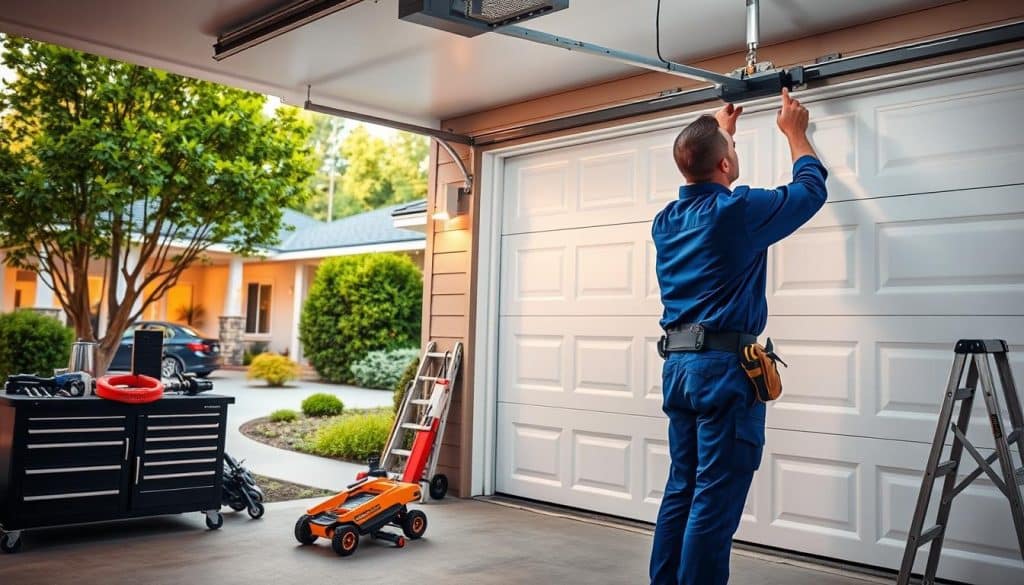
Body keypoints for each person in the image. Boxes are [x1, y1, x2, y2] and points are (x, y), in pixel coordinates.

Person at [649, 88, 828, 585]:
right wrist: (795, 133)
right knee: (714, 498)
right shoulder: (736, 212)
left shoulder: (667, 222)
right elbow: (810, 190)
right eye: (730, 153)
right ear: (726, 164)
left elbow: (705, 168)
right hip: (724, 376)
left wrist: (721, 134)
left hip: (680, 371)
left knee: (682, 488)